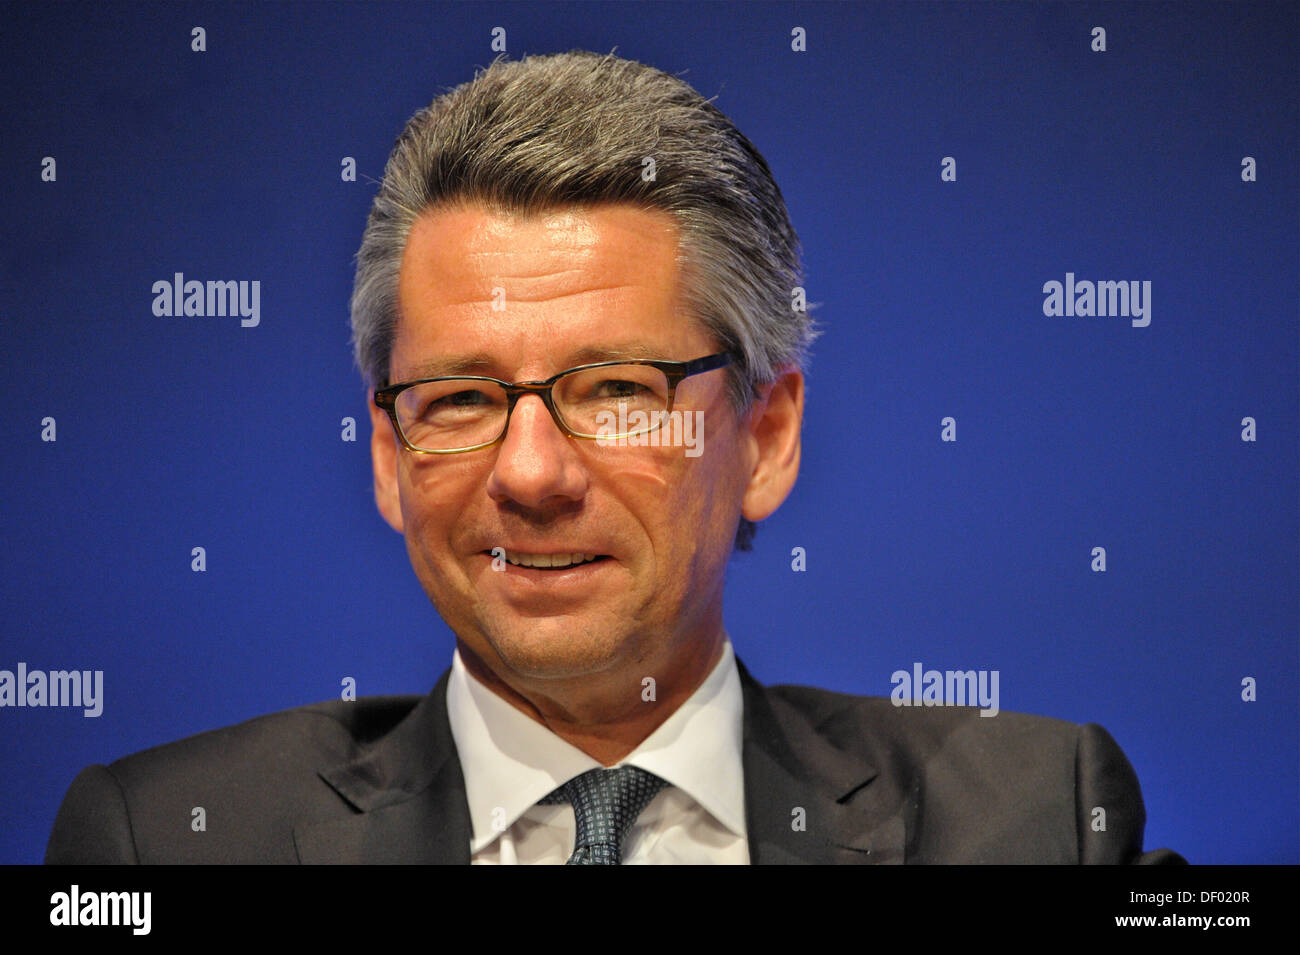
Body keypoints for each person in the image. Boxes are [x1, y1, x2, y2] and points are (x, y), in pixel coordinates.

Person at [46, 50, 1182, 865]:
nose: (531, 473)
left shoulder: (1038, 820)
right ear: (388, 456)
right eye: (459, 398)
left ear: (766, 438)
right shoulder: (163, 841)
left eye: (614, 391)